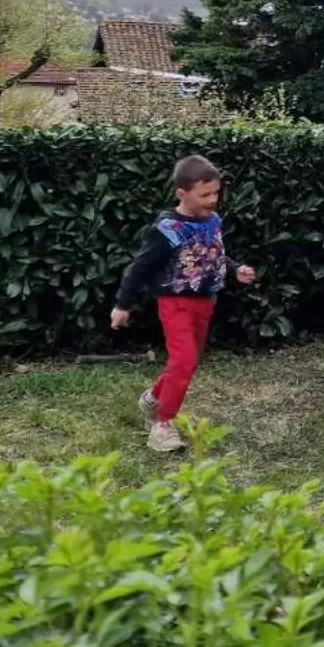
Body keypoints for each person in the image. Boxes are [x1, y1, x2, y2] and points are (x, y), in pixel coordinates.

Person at [110, 154, 256, 452]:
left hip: (206, 302)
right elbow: (139, 268)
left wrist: (234, 268)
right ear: (182, 194)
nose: (213, 199)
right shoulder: (168, 229)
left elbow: (212, 253)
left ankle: (152, 397)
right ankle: (163, 425)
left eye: (216, 192)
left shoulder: (213, 221)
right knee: (184, 360)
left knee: (185, 364)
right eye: (205, 195)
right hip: (175, 303)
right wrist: (122, 305)